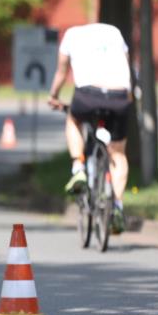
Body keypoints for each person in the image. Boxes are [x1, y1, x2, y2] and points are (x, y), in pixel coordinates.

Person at [47, 23, 132, 234]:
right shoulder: (115, 32)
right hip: (119, 95)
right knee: (118, 154)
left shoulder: (70, 35)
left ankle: (78, 167)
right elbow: (127, 67)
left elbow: (61, 72)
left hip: (88, 95)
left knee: (73, 120)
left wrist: (54, 97)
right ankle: (118, 206)